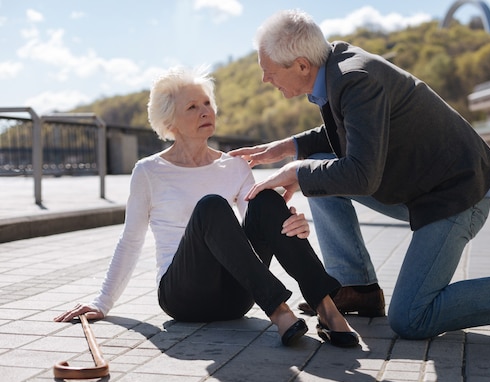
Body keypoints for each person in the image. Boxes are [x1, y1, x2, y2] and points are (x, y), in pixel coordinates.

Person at [229, 10, 490, 340]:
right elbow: (353, 134)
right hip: (423, 189)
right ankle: (358, 287)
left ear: (302, 65)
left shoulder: (355, 79)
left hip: (458, 195)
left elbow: (362, 176)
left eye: (269, 69)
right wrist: (286, 148)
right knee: (321, 162)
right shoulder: (337, 67)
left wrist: (298, 171)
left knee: (411, 318)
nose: (264, 79)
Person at [54, 66, 359, 348]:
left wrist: (291, 224)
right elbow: (131, 242)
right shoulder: (148, 172)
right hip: (182, 295)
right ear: (170, 122)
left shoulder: (235, 167)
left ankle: (327, 309)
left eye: (207, 104)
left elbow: (258, 228)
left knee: (266, 198)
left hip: (237, 298)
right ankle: (279, 311)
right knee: (211, 207)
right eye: (192, 107)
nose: (205, 111)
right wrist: (102, 302)